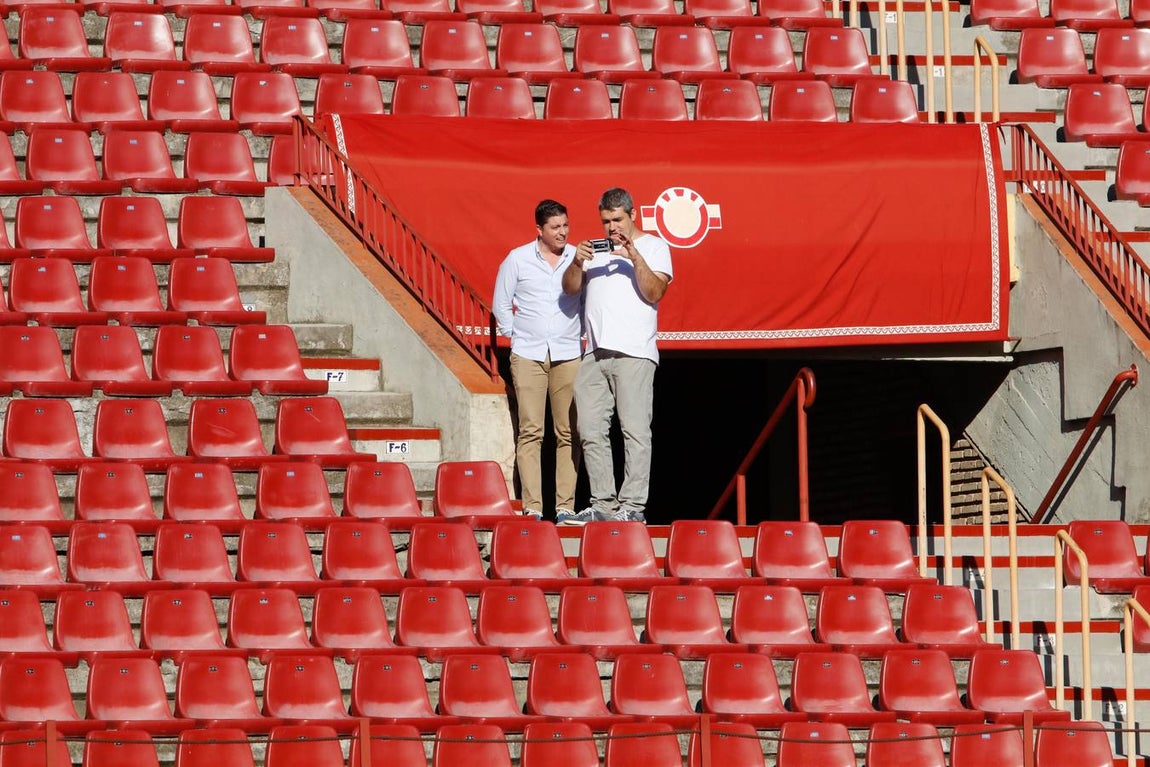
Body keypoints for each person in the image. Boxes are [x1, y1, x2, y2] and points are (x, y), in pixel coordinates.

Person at [556, 187, 673, 526]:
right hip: (594, 351)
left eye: (617, 220)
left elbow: (655, 291)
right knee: (590, 429)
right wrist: (577, 261)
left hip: (634, 352)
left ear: (632, 215)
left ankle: (633, 506)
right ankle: (603, 505)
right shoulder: (595, 250)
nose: (612, 228)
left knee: (635, 430)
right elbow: (569, 288)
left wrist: (633, 256)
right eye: (606, 221)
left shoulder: (653, 246)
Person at [493, 199, 583, 520]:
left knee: (568, 432)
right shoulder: (517, 259)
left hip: (568, 352)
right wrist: (514, 336)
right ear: (539, 230)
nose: (563, 233)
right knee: (531, 431)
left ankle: (565, 507)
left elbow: (588, 300)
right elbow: (501, 303)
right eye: (555, 227)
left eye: (566, 225)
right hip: (529, 354)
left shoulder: (576, 257)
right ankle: (532, 507)